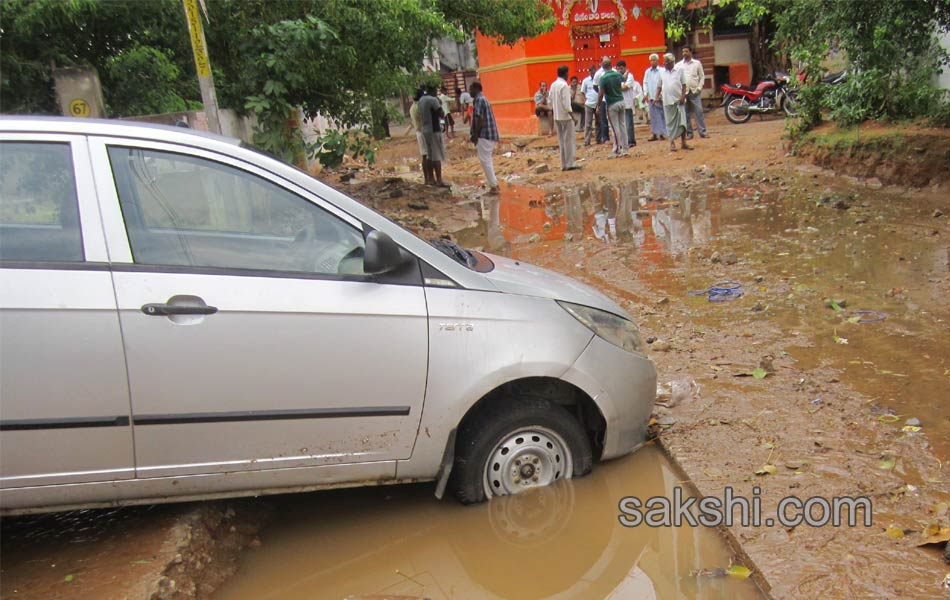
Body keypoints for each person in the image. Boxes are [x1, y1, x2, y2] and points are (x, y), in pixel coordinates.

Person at [656, 53, 691, 152]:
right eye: (664, 61)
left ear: (672, 62)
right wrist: (656, 97)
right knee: (669, 123)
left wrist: (683, 96)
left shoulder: (679, 71)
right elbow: (659, 86)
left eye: (666, 61)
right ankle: (672, 143)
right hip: (667, 101)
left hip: (678, 101)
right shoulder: (662, 72)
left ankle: (684, 142)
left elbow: (684, 85)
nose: (664, 63)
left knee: (682, 122)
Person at [469, 80, 499, 194]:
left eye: (471, 89)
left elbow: (480, 119)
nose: (469, 91)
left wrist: (475, 135)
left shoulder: (479, 100)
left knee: (485, 160)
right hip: (488, 134)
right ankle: (493, 183)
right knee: (487, 159)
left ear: (477, 89)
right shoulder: (482, 99)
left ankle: (493, 186)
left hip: (484, 134)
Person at [419, 84, 451, 187]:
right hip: (434, 130)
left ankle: (431, 179)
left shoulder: (421, 100)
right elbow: (441, 113)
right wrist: (439, 103)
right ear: (433, 90)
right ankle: (439, 180)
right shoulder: (433, 100)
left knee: (429, 155)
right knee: (436, 156)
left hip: (425, 130)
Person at [595, 57, 628, 158]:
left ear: (602, 66)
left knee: (614, 127)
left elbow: (601, 94)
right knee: (622, 125)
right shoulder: (617, 74)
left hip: (611, 104)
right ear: (611, 64)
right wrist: (626, 72)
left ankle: (617, 148)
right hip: (621, 101)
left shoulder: (603, 78)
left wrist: (598, 106)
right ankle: (625, 148)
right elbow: (624, 78)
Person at [550, 65, 580, 171]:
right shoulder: (564, 86)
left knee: (561, 141)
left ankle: (563, 164)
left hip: (557, 116)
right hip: (566, 117)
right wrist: (574, 117)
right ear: (565, 74)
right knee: (569, 141)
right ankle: (570, 163)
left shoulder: (553, 85)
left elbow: (550, 100)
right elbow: (567, 105)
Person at [675, 45, 707, 139]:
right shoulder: (678, 65)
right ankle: (689, 133)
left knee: (699, 112)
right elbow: (676, 79)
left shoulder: (697, 63)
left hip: (694, 91)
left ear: (690, 52)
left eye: (686, 51)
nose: (684, 53)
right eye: (683, 52)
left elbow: (702, 76)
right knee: (685, 113)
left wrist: (699, 88)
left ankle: (703, 132)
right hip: (683, 93)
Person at [407, 88, 431, 185]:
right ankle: (429, 178)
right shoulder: (419, 107)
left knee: (425, 155)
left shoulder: (412, 107)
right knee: (427, 156)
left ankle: (427, 178)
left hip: (419, 132)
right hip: (423, 132)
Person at [643, 53, 668, 141]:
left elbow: (664, 83)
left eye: (654, 60)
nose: (653, 62)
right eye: (651, 60)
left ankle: (662, 133)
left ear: (657, 61)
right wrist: (646, 93)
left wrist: (661, 94)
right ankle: (654, 134)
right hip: (651, 97)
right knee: (653, 116)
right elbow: (645, 83)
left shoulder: (662, 70)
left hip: (660, 97)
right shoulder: (647, 71)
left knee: (661, 115)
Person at [617, 60, 641, 148]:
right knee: (620, 125)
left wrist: (616, 87)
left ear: (625, 68)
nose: (619, 70)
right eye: (618, 69)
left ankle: (631, 140)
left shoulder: (630, 76)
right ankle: (622, 142)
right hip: (619, 103)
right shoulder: (617, 77)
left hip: (627, 103)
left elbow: (625, 87)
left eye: (621, 68)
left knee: (629, 124)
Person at [581, 65, 599, 146]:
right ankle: (587, 141)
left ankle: (599, 140)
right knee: (588, 124)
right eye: (591, 71)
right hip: (589, 104)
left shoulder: (599, 80)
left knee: (599, 123)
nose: (592, 73)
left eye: (593, 71)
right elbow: (582, 92)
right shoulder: (585, 81)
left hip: (598, 103)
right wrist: (585, 101)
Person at [593, 62, 610, 144]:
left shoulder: (613, 71)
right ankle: (606, 138)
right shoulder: (598, 74)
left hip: (611, 99)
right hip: (603, 100)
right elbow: (595, 86)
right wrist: (601, 93)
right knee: (603, 120)